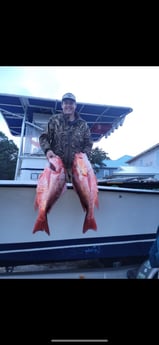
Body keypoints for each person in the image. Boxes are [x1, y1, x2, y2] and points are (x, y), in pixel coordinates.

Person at [39, 92, 93, 182]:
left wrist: (83, 156)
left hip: (77, 170)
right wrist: (48, 150)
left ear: (75, 105)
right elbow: (44, 137)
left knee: (76, 194)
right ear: (62, 105)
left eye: (71, 103)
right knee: (55, 193)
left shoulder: (83, 124)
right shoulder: (54, 120)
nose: (68, 105)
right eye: (66, 103)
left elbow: (89, 143)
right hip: (56, 168)